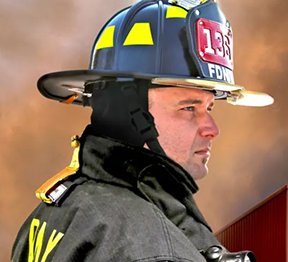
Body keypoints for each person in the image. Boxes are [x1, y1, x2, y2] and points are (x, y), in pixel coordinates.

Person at [11, 0, 273, 261]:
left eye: (210, 108)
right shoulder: (154, 251)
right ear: (131, 115)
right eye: (189, 108)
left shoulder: (58, 208)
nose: (212, 129)